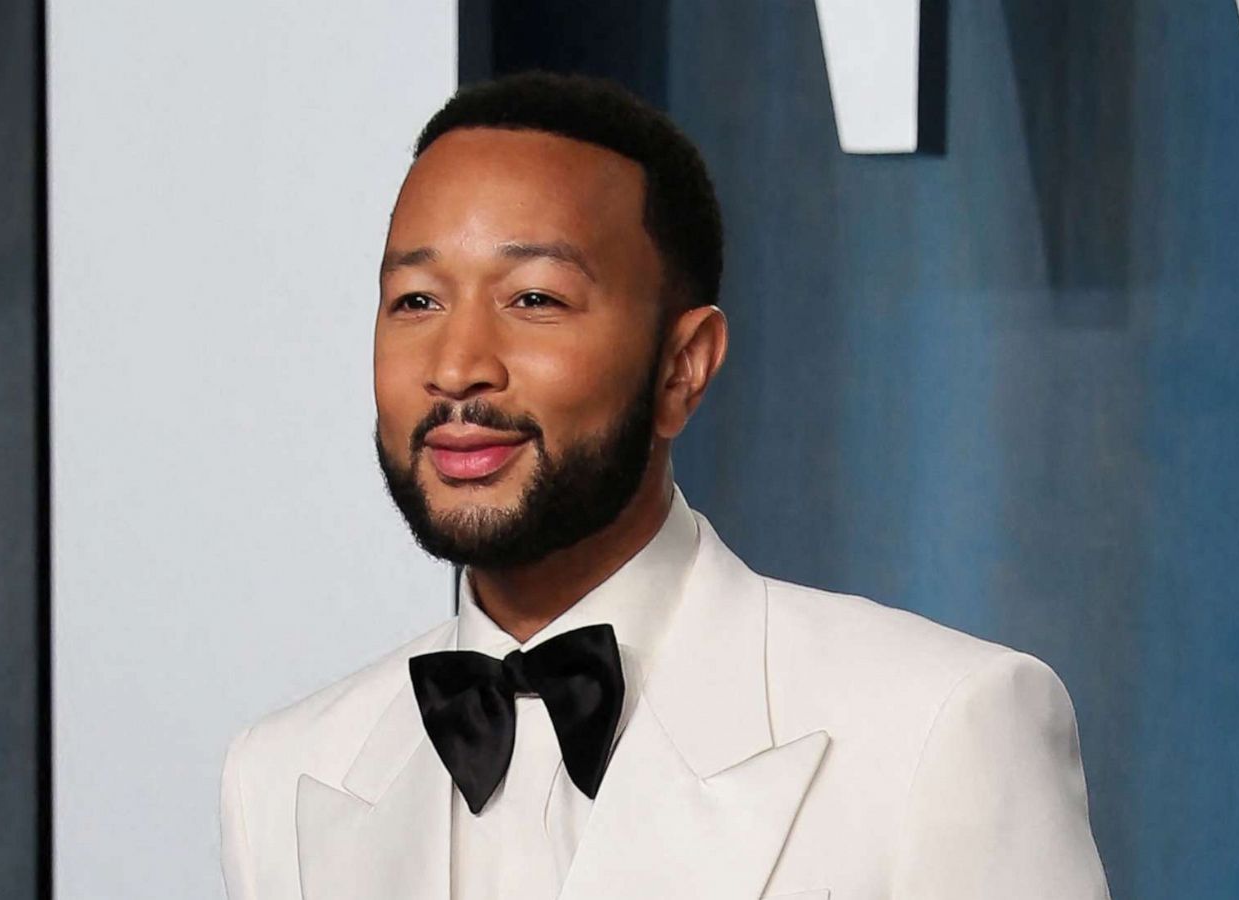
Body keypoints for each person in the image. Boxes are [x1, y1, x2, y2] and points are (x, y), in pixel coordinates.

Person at [219, 71, 1109, 900]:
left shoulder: (937, 731)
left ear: (684, 367)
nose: (457, 368)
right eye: (415, 301)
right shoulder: (282, 776)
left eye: (534, 299)